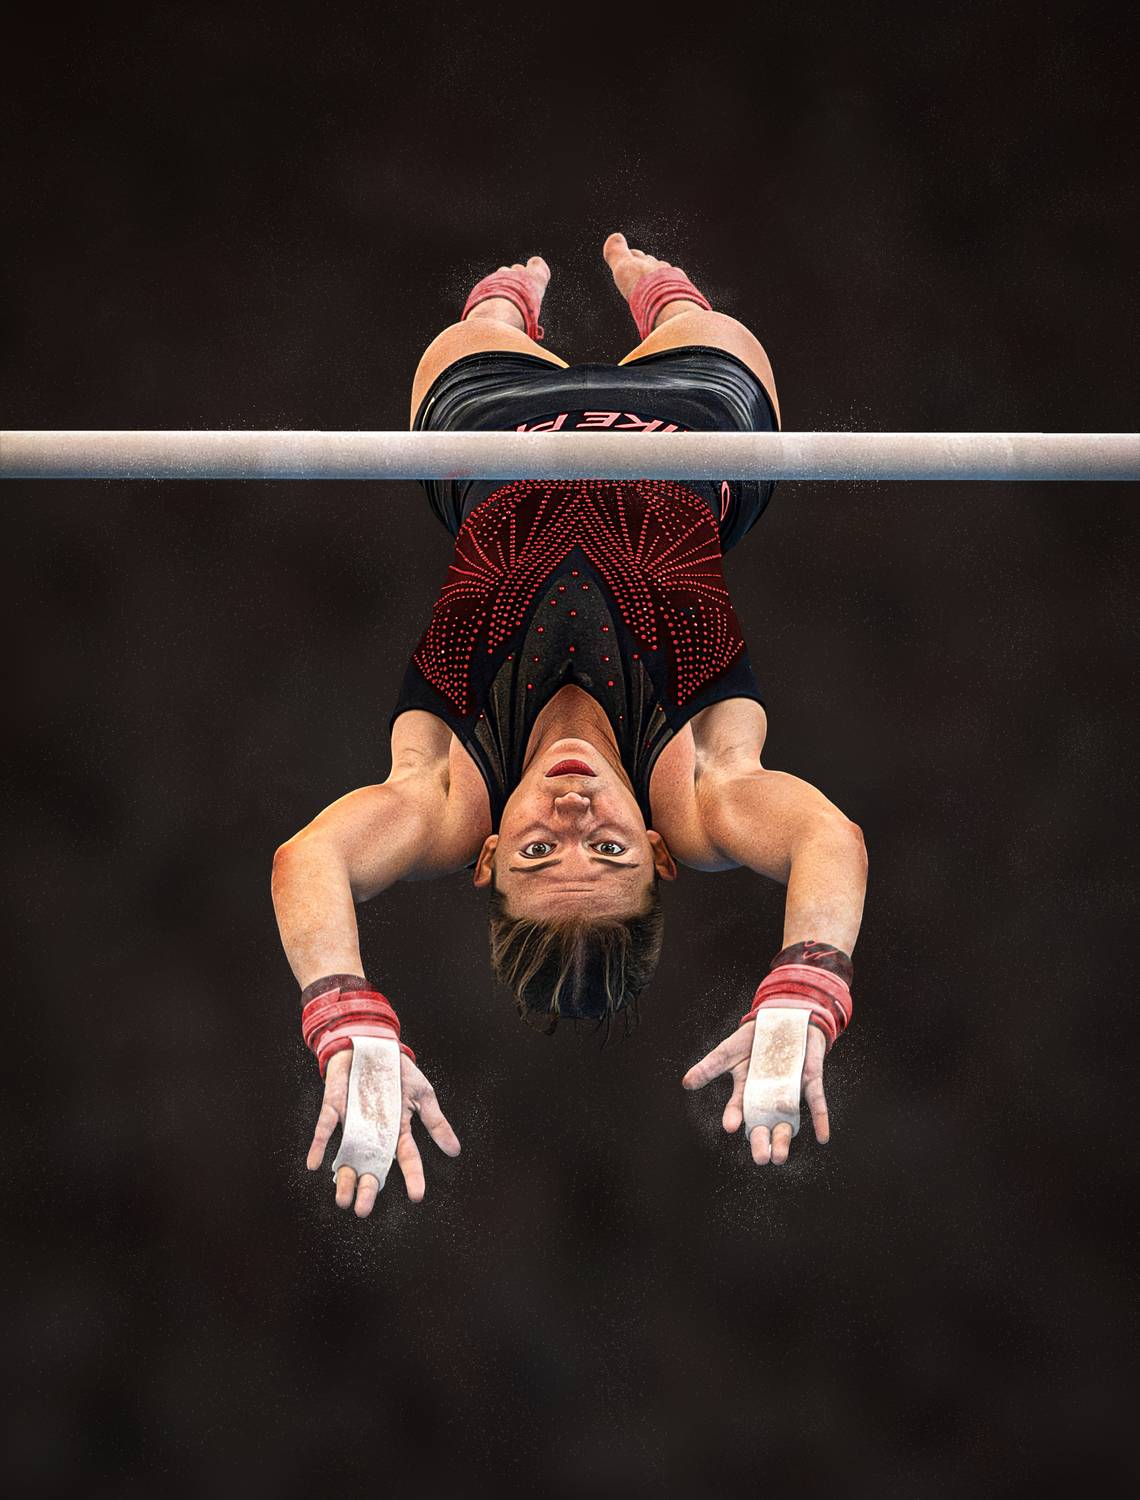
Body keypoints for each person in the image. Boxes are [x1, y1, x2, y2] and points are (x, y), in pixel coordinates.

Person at [271, 233, 868, 1217]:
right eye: (610, 845)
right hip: (690, 437)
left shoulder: (449, 792)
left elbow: (311, 858)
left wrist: (344, 1013)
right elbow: (824, 840)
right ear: (661, 854)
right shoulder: (703, 786)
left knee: (475, 334)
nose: (576, 805)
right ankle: (656, 291)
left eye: (543, 848)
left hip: (492, 444)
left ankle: (508, 299)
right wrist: (808, 983)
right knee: (704, 328)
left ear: (488, 851)